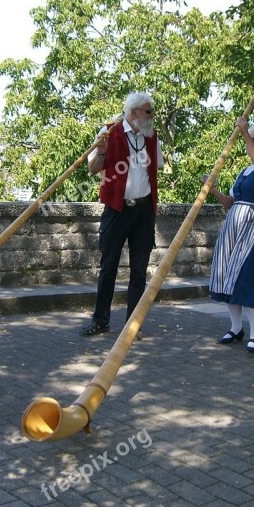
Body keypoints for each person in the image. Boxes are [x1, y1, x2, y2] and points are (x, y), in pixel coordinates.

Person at [79, 92, 164, 336]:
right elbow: (93, 170)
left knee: (139, 269)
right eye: (149, 112)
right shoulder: (108, 133)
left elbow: (154, 169)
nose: (152, 116)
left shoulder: (151, 136)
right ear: (134, 112)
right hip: (117, 209)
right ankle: (100, 320)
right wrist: (102, 152)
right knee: (109, 266)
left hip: (144, 210)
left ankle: (132, 325)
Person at [202, 118, 254, 353]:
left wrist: (245, 130)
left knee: (248, 275)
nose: (252, 142)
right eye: (251, 139)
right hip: (234, 224)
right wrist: (212, 188)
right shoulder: (243, 173)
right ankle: (236, 327)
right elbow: (230, 203)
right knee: (228, 274)